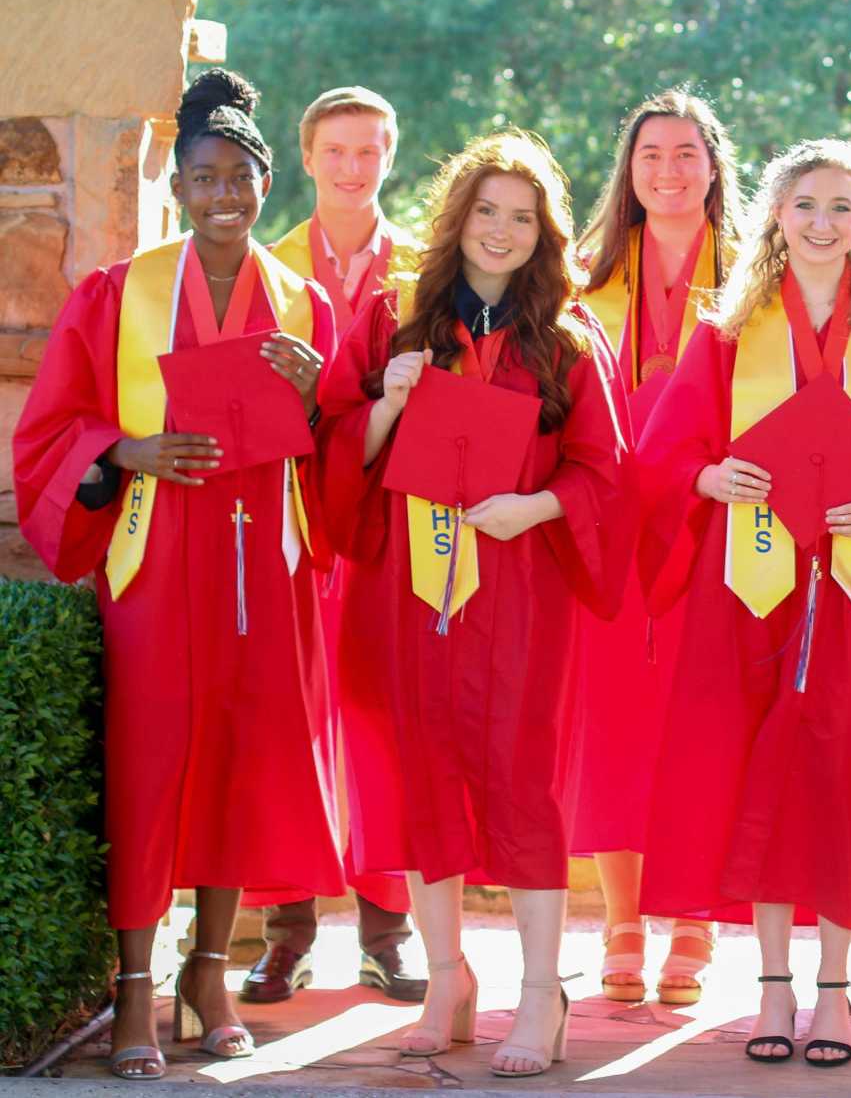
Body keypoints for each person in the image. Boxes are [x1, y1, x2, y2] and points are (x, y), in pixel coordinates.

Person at [13, 70, 344, 1079]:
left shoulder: (304, 303)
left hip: (262, 564)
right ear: (179, 188)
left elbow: (335, 447)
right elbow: (50, 430)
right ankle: (131, 991)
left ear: (265, 182)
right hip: (159, 558)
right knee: (153, 764)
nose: (221, 195)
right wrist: (124, 452)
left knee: (241, 759)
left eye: (239, 176)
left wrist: (317, 389)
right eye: (202, 178)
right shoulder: (117, 297)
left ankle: (207, 975)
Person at [634, 138, 851, 1068]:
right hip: (750, 586)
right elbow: (661, 460)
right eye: (806, 205)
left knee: (850, 778)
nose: (823, 224)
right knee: (759, 773)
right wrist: (711, 476)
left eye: (842, 208)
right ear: (775, 216)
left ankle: (834, 988)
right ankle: (773, 984)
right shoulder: (728, 331)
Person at [315, 130, 627, 1079]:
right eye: (486, 211)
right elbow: (332, 449)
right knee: (420, 776)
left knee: (522, 781)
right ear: (457, 219)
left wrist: (532, 504)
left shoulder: (567, 340)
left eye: (522, 217)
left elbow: (606, 477)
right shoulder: (391, 324)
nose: (501, 230)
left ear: (546, 234)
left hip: (520, 592)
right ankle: (448, 975)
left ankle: (543, 993)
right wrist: (386, 404)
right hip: (407, 591)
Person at [244, 85, 426, 1006]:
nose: (353, 167)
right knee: (289, 721)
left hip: (393, 526)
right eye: (337, 151)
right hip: (295, 524)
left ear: (390, 157)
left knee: (387, 720)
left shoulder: (429, 271)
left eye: (370, 151)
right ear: (306, 158)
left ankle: (389, 930)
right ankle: (287, 930)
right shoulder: (263, 270)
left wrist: (344, 393)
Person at [566, 88, 736, 1008]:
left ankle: (697, 919)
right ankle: (624, 917)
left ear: (715, 164)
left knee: (701, 723)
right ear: (628, 174)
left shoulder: (756, 272)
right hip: (612, 533)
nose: (667, 170)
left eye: (685, 153)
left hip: (717, 532)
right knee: (615, 723)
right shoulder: (587, 277)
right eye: (649, 156)